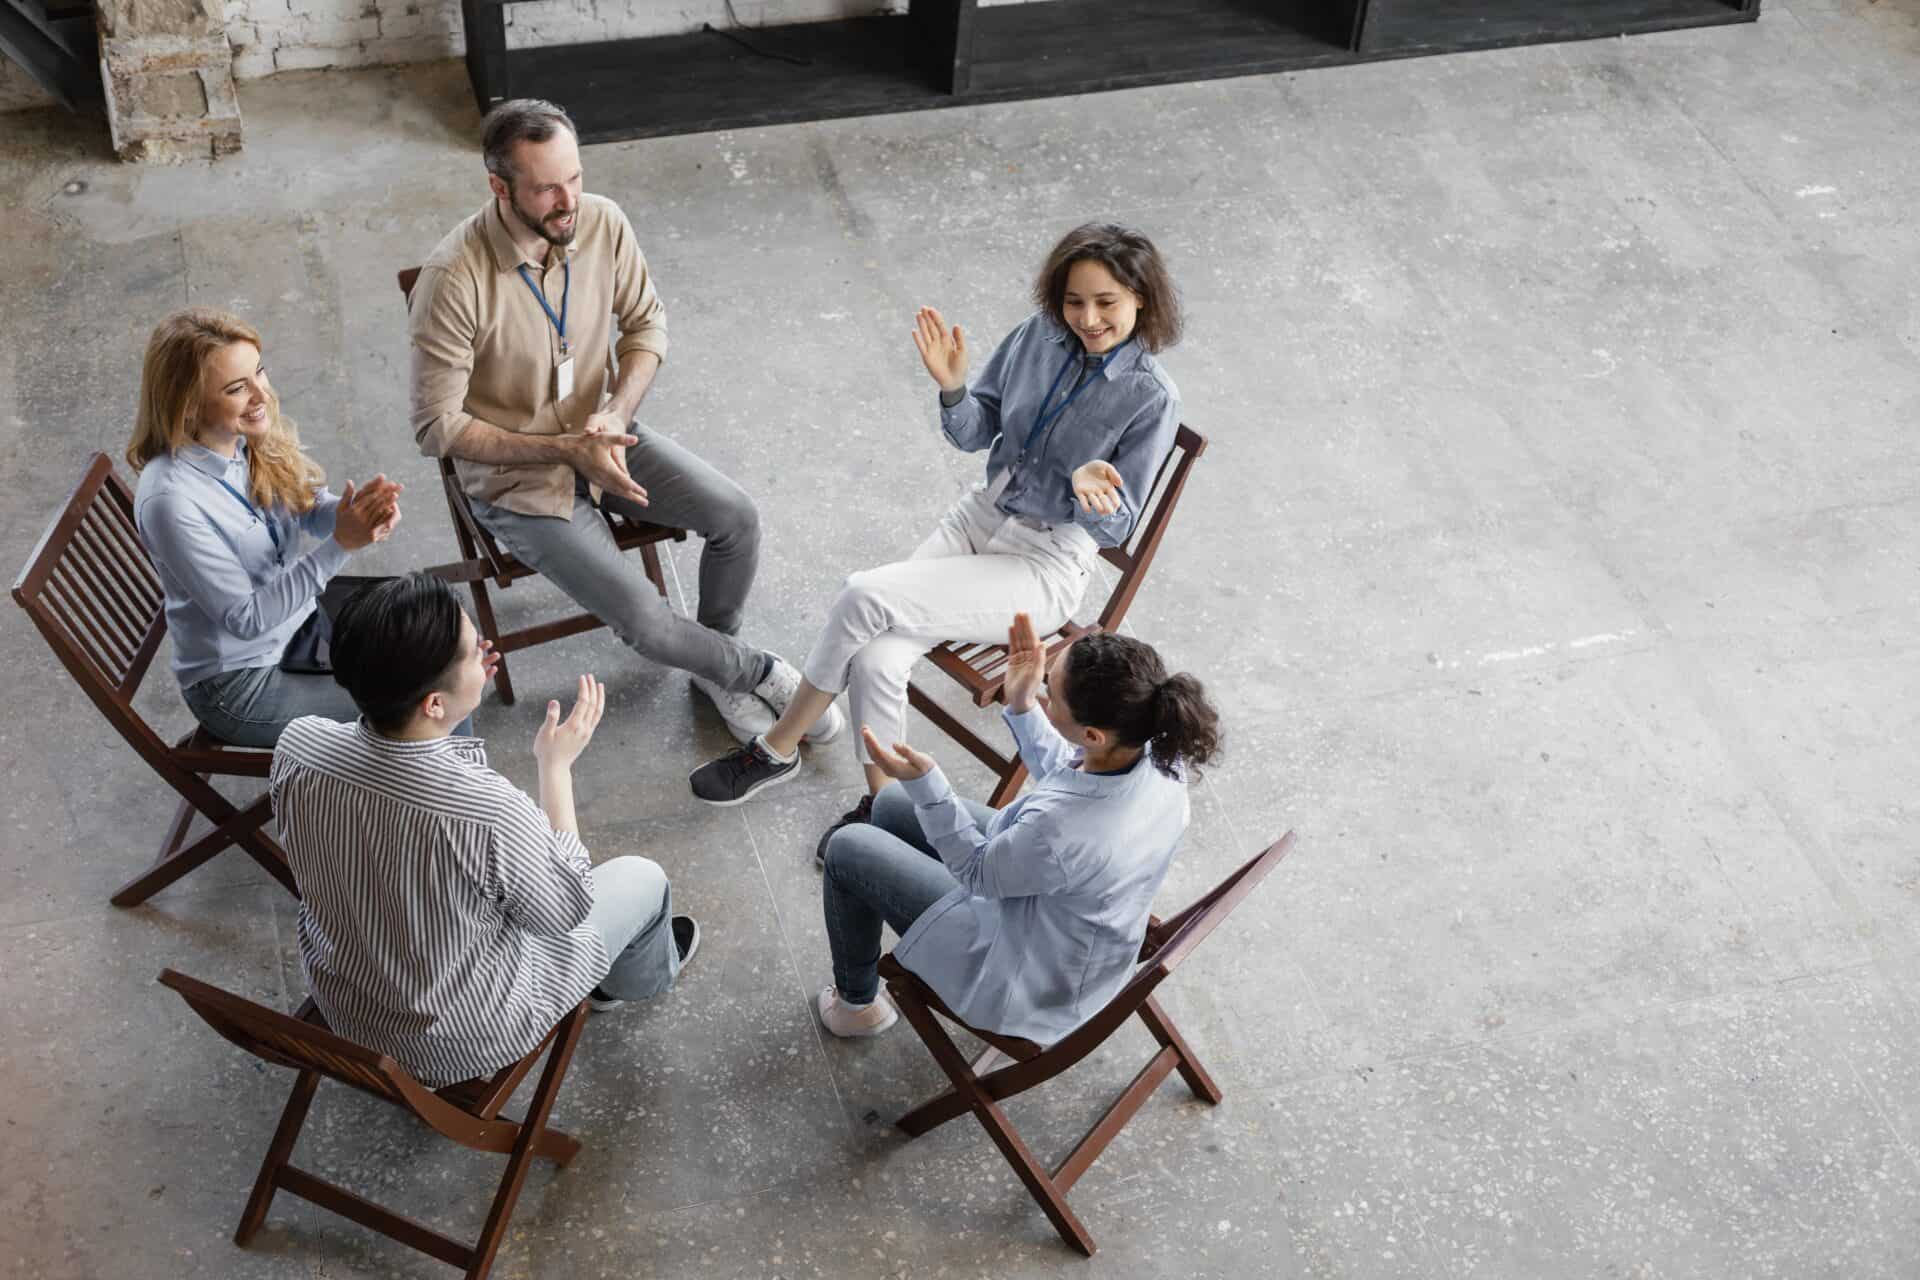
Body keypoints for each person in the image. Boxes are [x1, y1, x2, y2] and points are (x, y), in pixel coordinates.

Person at [688, 222, 1183, 864]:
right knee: (875, 659)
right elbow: (975, 433)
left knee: (863, 594)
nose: (1087, 318)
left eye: (1106, 303)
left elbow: (1119, 529)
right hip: (979, 516)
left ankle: (778, 746)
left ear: (1141, 298)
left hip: (1046, 561)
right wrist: (952, 387)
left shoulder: (1151, 397)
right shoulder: (1037, 337)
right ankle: (884, 810)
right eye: (1074, 301)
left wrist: (1093, 491)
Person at [407, 97, 839, 747]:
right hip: (514, 480)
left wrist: (614, 413)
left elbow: (646, 327)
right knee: (647, 621)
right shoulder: (452, 279)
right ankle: (753, 672)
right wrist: (564, 450)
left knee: (737, 519)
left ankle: (712, 667)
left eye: (575, 178)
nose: (569, 200)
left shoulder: (602, 222)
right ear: (500, 188)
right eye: (547, 188)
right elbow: (436, 428)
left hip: (606, 437)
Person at [269, 572, 700, 1088]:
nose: (487, 655)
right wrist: (554, 766)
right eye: (476, 652)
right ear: (432, 702)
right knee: (643, 878)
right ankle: (630, 981)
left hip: (349, 1004)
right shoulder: (485, 811)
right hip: (457, 1037)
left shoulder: (298, 744)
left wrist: (460, 685)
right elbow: (565, 910)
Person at [811, 614, 1219, 1040]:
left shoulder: (1061, 832)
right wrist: (1023, 702)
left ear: (1094, 734)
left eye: (1050, 693)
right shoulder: (1156, 751)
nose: (1044, 692)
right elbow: (1072, 771)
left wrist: (928, 786)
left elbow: (978, 873)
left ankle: (857, 1006)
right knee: (893, 803)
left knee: (848, 847)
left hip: (1029, 976)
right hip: (1075, 922)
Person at [129, 307, 405, 748]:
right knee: (424, 696)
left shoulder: (239, 439)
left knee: (440, 639)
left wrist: (353, 513)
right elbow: (247, 618)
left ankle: (450, 807)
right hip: (241, 682)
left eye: (260, 372)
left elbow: (304, 505)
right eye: (238, 388)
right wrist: (340, 544)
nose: (262, 395)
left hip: (301, 627)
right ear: (188, 404)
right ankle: (461, 812)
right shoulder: (171, 501)